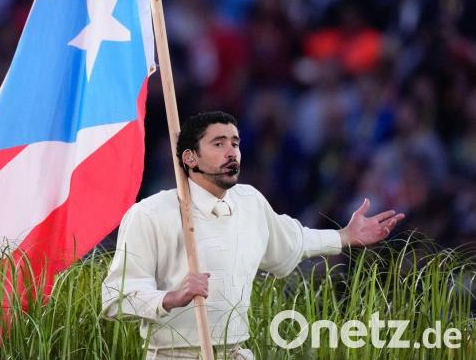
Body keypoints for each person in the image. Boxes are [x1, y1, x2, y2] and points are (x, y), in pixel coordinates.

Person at [101, 111, 404, 360]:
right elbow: (115, 297)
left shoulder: (250, 201)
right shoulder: (150, 213)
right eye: (218, 144)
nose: (231, 151)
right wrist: (171, 297)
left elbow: (293, 239)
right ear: (191, 158)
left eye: (235, 142)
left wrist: (343, 236)